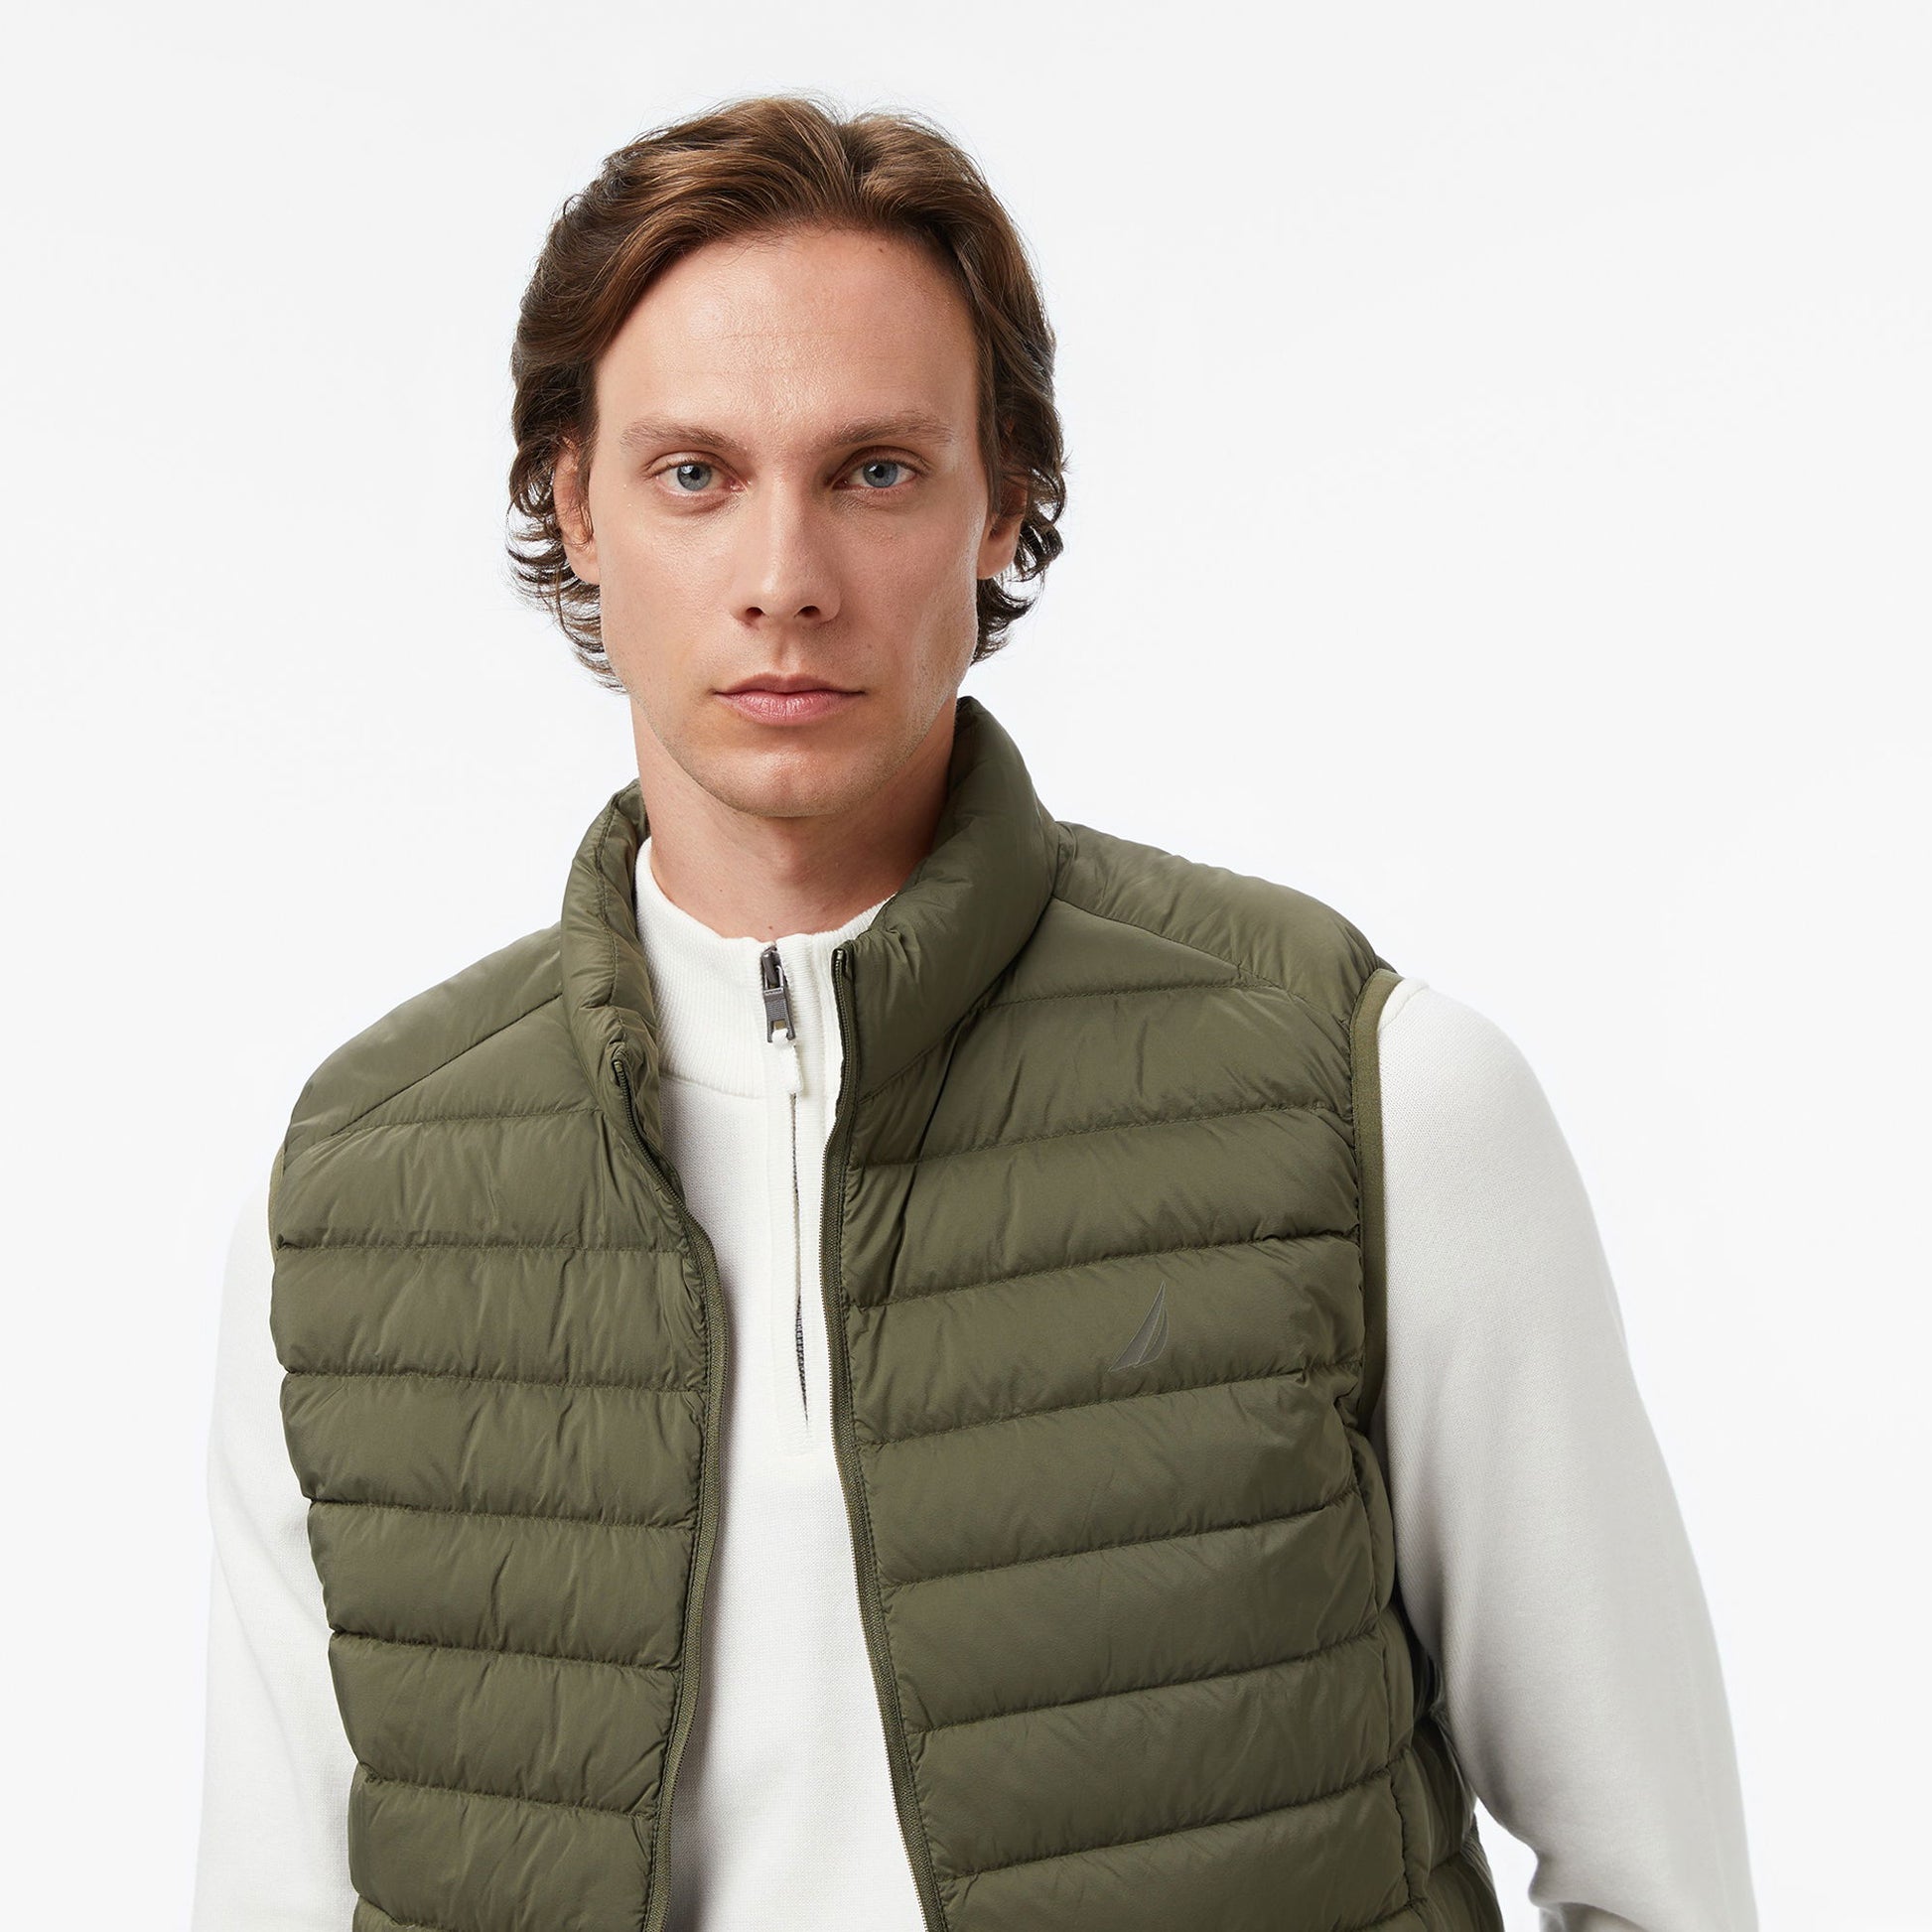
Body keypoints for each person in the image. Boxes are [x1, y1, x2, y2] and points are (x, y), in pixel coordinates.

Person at [190, 92, 1756, 1932]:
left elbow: (1653, 1881)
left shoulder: (1370, 1100)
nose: (784, 577)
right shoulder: (352, 1201)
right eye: (694, 473)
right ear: (573, 504)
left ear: (1000, 502)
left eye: (873, 470)